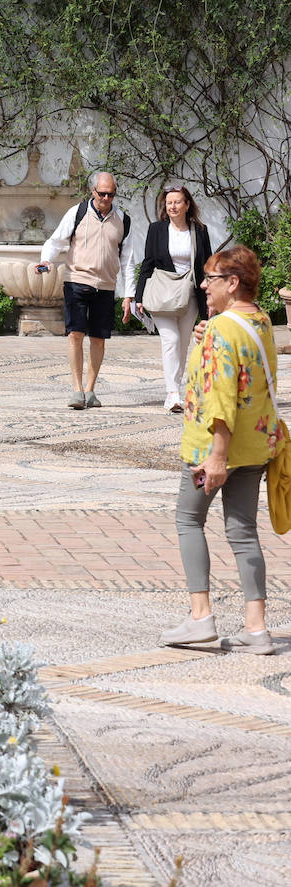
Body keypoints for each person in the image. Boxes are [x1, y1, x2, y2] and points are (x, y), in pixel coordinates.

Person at [159, 246, 279, 656]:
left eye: (210, 278)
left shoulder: (219, 330)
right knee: (243, 531)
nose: (202, 285)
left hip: (213, 448)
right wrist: (206, 332)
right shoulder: (260, 320)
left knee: (188, 519)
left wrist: (216, 457)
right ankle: (257, 628)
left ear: (232, 283)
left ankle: (200, 618)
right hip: (257, 444)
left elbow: (222, 400)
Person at [38, 171, 137, 410]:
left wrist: (129, 295)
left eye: (110, 194)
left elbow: (128, 260)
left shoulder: (123, 220)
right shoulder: (77, 213)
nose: (105, 198)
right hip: (77, 281)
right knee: (75, 334)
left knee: (99, 338)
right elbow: (56, 241)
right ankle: (77, 390)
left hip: (105, 286)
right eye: (101, 193)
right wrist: (46, 260)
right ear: (92, 191)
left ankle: (90, 390)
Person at [130, 185, 213, 413]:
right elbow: (147, 262)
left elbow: (208, 265)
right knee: (171, 340)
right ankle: (173, 393)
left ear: (187, 205)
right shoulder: (156, 229)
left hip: (191, 294)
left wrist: (212, 298)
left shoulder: (199, 231)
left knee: (183, 343)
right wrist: (139, 296)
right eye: (169, 202)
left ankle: (176, 387)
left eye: (177, 202)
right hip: (162, 292)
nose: (173, 206)